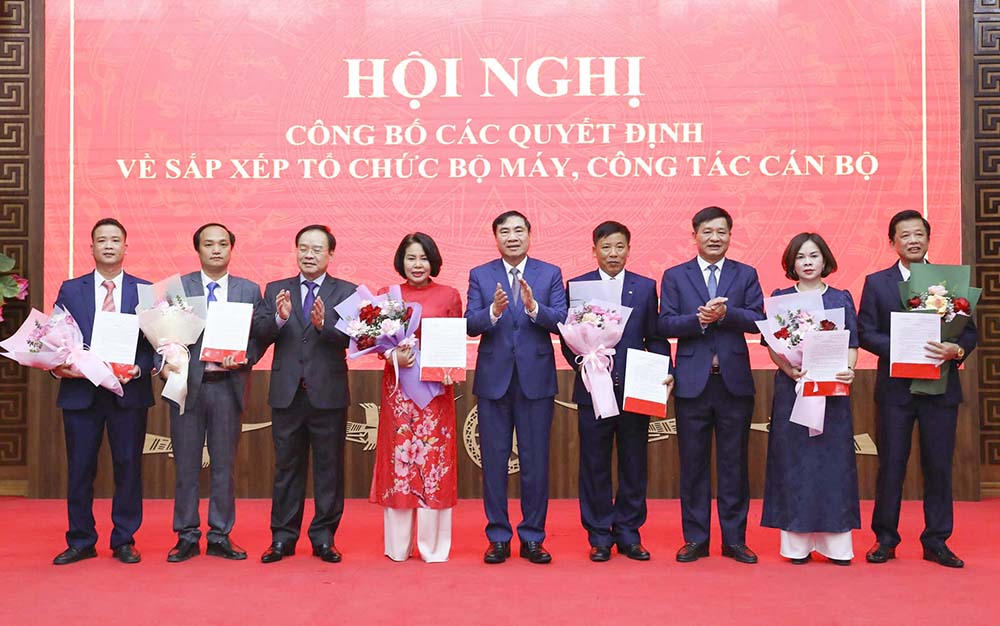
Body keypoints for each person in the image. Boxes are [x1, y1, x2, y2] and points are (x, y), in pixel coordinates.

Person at [859, 210, 977, 568]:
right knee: (891, 464)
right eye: (904, 235)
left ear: (928, 238)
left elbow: (968, 332)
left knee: (938, 465)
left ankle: (937, 540)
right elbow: (866, 332)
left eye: (918, 234)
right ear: (892, 242)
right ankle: (885, 538)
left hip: (940, 388)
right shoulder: (877, 282)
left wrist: (956, 350)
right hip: (896, 390)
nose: (912, 240)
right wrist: (902, 347)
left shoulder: (948, 281)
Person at [560, 221, 672, 562]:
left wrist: (666, 369)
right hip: (593, 388)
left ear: (629, 248)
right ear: (594, 249)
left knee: (633, 463)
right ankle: (598, 535)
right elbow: (569, 338)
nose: (613, 254)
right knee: (594, 464)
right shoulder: (579, 287)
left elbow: (654, 336)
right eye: (606, 247)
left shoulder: (644, 286)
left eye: (620, 246)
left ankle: (628, 532)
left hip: (636, 388)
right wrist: (585, 361)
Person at [658, 206, 764, 564]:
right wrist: (699, 320)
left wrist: (726, 314)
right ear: (695, 235)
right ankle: (696, 538)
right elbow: (666, 324)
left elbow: (759, 320)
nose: (715, 237)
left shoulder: (745, 274)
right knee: (693, 465)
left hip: (734, 384)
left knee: (734, 464)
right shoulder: (675, 275)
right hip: (691, 384)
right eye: (707, 231)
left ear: (730, 236)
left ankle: (734, 539)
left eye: (721, 231)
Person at [466, 210, 568, 564]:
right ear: (496, 237)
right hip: (494, 381)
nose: (512, 236)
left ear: (530, 235)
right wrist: (493, 311)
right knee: (493, 462)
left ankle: (533, 536)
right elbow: (469, 324)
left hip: (535, 380)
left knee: (535, 462)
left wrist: (535, 307)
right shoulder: (481, 275)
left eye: (519, 230)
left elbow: (563, 320)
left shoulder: (549, 273)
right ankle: (497, 536)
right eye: (504, 231)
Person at [51, 218, 154, 565]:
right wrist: (57, 366)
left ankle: (124, 539)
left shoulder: (145, 290)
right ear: (91, 247)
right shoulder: (70, 289)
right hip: (82, 393)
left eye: (115, 240)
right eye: (101, 240)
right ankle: (81, 540)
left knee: (128, 466)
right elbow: (55, 338)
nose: (108, 246)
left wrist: (139, 368)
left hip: (128, 393)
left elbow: (156, 343)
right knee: (80, 468)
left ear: (126, 247)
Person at [252, 224, 356, 564]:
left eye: (316, 249)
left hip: (328, 392)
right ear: (296, 251)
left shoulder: (347, 292)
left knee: (329, 470)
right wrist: (280, 320)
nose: (308, 254)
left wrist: (326, 326)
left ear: (330, 254)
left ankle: (324, 538)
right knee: (286, 468)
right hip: (287, 393)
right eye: (303, 248)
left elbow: (353, 341)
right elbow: (262, 333)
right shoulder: (276, 289)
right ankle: (282, 538)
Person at [162, 223, 263, 563]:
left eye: (223, 244)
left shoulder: (249, 290)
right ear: (198, 249)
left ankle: (220, 534)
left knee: (224, 465)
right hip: (187, 387)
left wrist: (247, 356)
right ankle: (187, 535)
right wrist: (166, 358)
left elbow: (259, 335)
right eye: (209, 244)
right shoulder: (179, 289)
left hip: (227, 387)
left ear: (232, 249)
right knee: (186, 465)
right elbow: (162, 334)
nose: (216, 249)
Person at [760, 233, 861, 565]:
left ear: (825, 260)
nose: (807, 262)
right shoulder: (780, 298)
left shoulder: (841, 298)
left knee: (832, 464)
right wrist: (789, 370)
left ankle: (836, 546)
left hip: (832, 394)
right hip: (793, 390)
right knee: (795, 464)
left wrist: (848, 369)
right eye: (800, 257)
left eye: (813, 256)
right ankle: (797, 545)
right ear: (791, 263)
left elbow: (851, 344)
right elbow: (775, 349)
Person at [370, 233, 463, 563]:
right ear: (401, 261)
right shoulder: (387, 296)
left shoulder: (449, 295)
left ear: (433, 260)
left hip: (436, 392)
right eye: (411, 257)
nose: (417, 264)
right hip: (399, 391)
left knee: (433, 464)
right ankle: (398, 546)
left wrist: (452, 368)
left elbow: (454, 339)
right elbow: (377, 344)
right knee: (401, 465)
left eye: (423, 258)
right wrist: (392, 356)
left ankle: (432, 547)